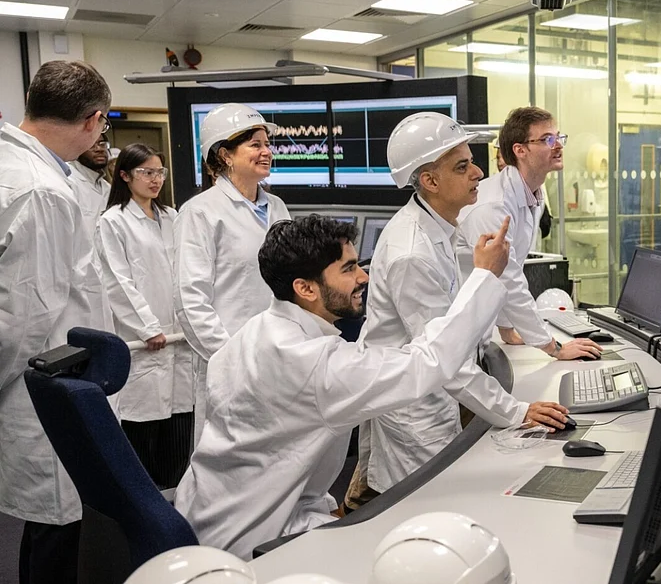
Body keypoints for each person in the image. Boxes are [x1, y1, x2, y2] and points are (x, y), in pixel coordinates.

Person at [174, 214, 512, 559]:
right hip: (255, 543)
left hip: (205, 518)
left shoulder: (254, 332)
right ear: (305, 289)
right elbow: (427, 364)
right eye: (349, 269)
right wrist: (484, 276)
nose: (364, 277)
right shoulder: (314, 364)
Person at [343, 113, 569, 511]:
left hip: (435, 394)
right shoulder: (412, 252)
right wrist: (517, 410)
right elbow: (444, 358)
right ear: (429, 181)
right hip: (417, 412)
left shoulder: (439, 229)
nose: (479, 172)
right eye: (462, 166)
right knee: (419, 513)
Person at [0, 60, 112, 584]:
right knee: (58, 540)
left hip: (36, 382)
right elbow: (22, 318)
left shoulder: (12, 166)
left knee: (47, 537)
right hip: (39, 387)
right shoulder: (41, 189)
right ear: (93, 120)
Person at [175, 104, 291, 445]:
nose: (266, 151)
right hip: (230, 362)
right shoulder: (200, 213)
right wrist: (231, 358)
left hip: (278, 356)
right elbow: (190, 300)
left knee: (278, 458)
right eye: (255, 144)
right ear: (225, 154)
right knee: (229, 463)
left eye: (267, 143)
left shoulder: (278, 208)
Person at [458, 107, 600, 360]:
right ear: (520, 150)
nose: (558, 145)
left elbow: (510, 267)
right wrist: (554, 348)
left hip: (476, 325)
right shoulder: (494, 207)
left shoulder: (535, 193)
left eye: (559, 137)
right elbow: (508, 280)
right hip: (453, 330)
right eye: (547, 139)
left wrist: (507, 329)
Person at [96, 143, 193, 488]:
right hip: (145, 344)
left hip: (180, 340)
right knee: (144, 436)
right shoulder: (113, 222)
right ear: (124, 175)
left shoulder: (172, 217)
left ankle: (177, 512)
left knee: (180, 435)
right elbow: (117, 282)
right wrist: (148, 328)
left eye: (160, 172)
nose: (155, 180)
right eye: (146, 172)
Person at [67, 129, 111, 233]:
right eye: (92, 144)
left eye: (102, 144)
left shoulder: (107, 188)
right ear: (77, 148)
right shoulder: (68, 180)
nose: (99, 149)